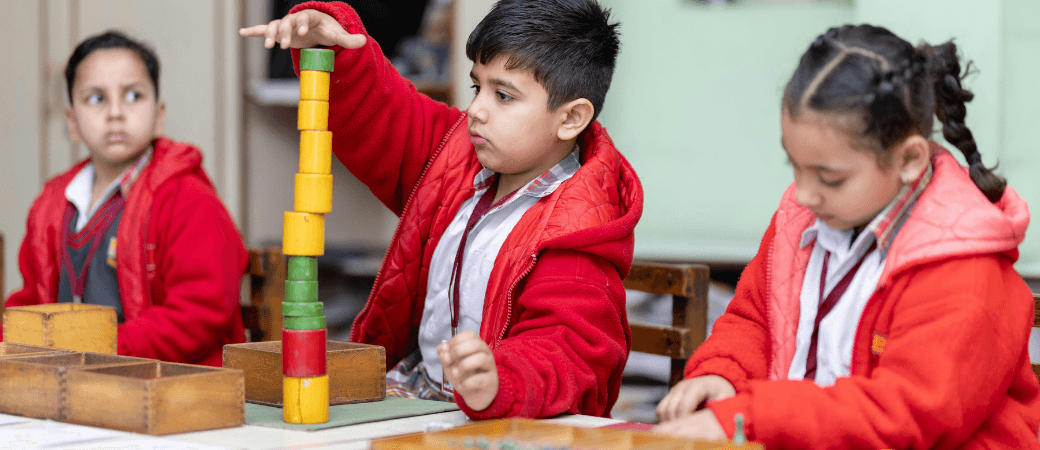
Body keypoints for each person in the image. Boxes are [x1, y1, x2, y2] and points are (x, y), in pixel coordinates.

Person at [240, 0, 641, 419]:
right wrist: (333, 45)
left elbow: (566, 349)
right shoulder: (454, 153)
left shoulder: (578, 227)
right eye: (477, 87)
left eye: (504, 95)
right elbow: (385, 112)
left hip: (491, 417)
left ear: (571, 118)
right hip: (413, 395)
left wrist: (499, 380)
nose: (477, 110)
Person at [654, 24, 1040, 448]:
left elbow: (901, 414)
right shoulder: (802, 219)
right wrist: (723, 373)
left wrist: (755, 416)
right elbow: (756, 320)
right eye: (795, 166)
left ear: (909, 160)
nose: (804, 193)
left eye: (830, 178)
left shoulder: (962, 267)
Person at [4, 31, 248, 367]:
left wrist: (102, 350)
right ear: (72, 123)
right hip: (73, 380)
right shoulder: (51, 206)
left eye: (133, 96)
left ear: (158, 115)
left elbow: (200, 311)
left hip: (172, 382)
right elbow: (31, 306)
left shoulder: (186, 196)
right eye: (96, 98)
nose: (116, 112)